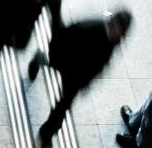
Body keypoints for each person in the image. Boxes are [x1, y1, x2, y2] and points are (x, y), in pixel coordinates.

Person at [29, 9, 132, 147]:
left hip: (76, 78)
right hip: (67, 62)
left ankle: (45, 134)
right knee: (61, 103)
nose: (119, 35)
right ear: (113, 24)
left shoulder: (114, 40)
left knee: (61, 108)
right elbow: (66, 35)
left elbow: (100, 63)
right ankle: (41, 58)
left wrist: (86, 81)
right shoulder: (91, 28)